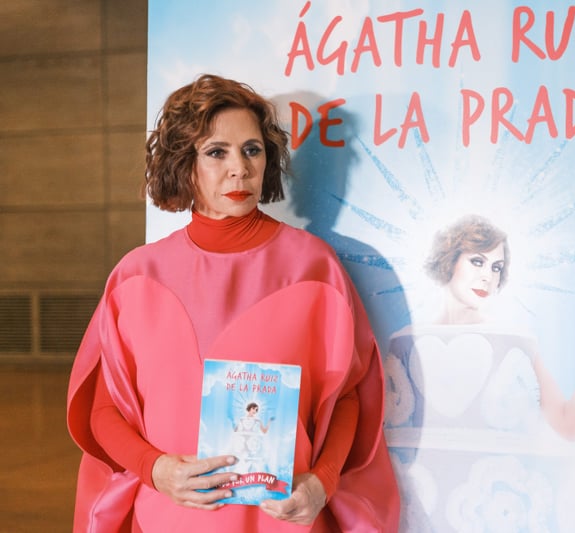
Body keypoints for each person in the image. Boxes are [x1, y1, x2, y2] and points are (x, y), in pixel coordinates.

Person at [67, 74, 400, 532]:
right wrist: (154, 469)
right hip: (170, 520)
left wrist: (322, 482)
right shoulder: (137, 276)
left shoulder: (314, 267)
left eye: (252, 149)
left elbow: (347, 397)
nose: (240, 168)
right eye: (216, 152)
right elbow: (103, 411)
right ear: (183, 163)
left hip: (284, 520)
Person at [383, 214, 575, 531]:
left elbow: (567, 424)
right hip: (416, 511)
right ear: (450, 259)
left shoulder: (517, 341)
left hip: (493, 511)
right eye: (477, 261)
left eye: (496, 267)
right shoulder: (403, 341)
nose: (487, 277)